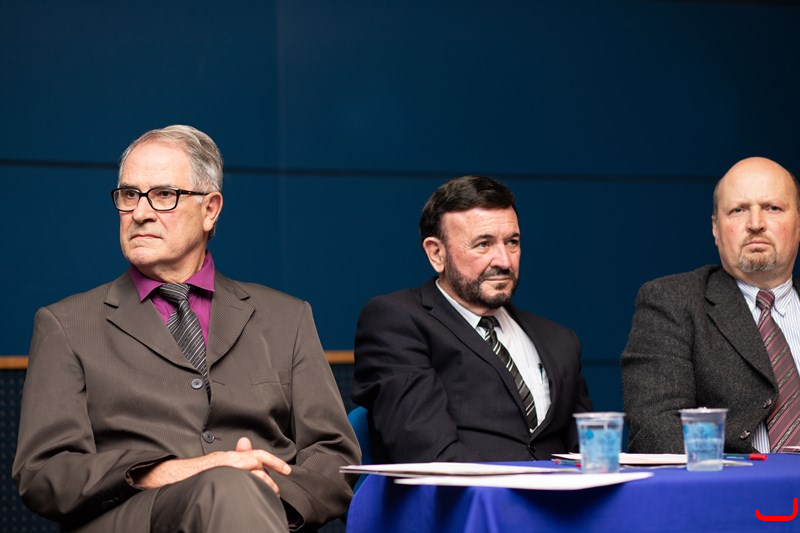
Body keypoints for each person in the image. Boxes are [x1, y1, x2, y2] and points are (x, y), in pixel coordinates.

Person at [12, 125, 360, 532]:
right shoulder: (65, 324)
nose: (140, 213)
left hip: (268, 515)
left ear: (210, 210)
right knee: (227, 486)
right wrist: (173, 471)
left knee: (235, 491)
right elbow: (44, 472)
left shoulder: (288, 317)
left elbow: (334, 456)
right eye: (129, 195)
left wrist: (263, 498)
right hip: (138, 517)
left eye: (164, 195)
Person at [352, 175, 593, 462]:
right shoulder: (397, 322)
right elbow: (429, 453)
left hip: (564, 490)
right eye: (483, 244)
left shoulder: (560, 340)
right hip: (466, 491)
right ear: (437, 254)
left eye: (512, 242)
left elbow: (590, 453)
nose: (504, 261)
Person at [622, 156, 800, 454]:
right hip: (731, 482)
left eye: (772, 208)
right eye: (738, 210)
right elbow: (655, 429)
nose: (756, 224)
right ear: (716, 228)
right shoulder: (672, 302)